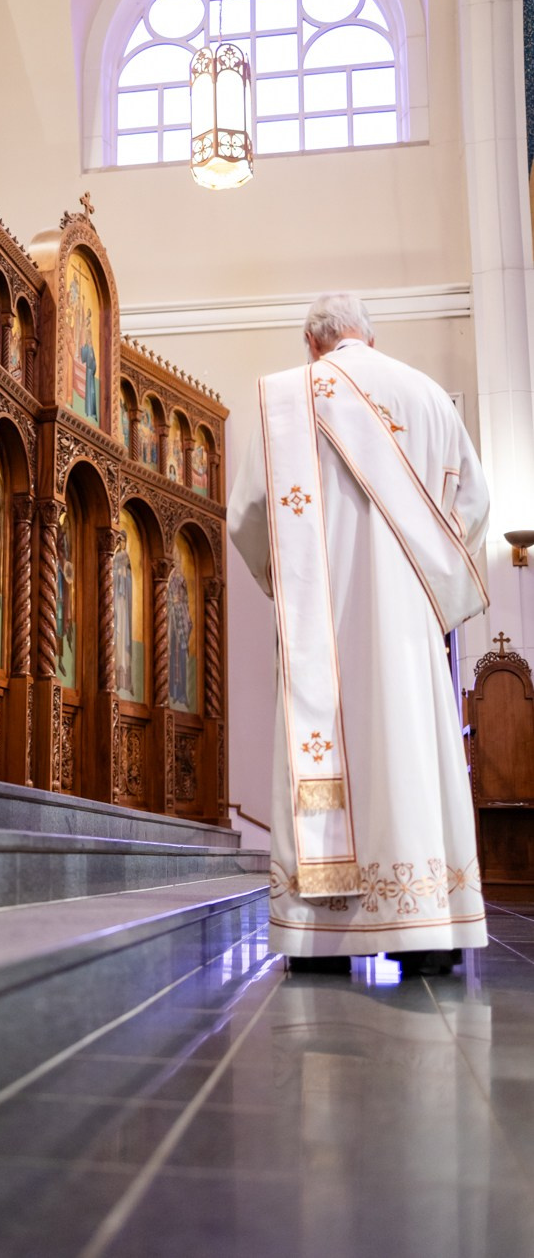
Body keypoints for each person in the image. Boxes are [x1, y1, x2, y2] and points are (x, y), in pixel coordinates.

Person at [228, 292, 490, 976]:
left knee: (329, 748)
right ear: (367, 338)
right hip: (407, 634)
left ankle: (322, 936)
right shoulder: (430, 396)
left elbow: (250, 514)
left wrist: (284, 580)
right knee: (412, 756)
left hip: (325, 626)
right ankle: (427, 929)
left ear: (312, 343)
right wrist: (426, 590)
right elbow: (474, 506)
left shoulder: (288, 397)